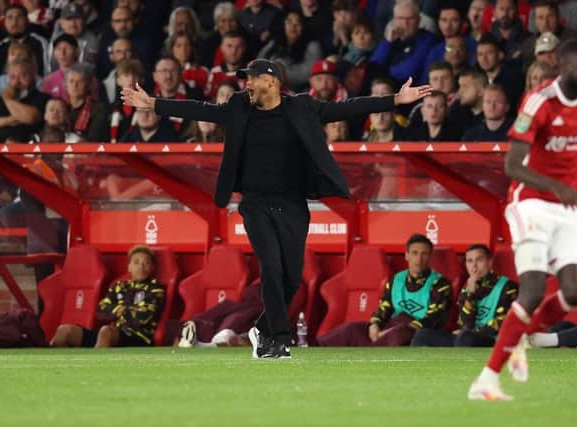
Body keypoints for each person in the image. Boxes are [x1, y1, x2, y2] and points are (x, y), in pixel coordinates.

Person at [121, 58, 432, 358]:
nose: (248, 85)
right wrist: (153, 104)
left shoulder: (302, 107)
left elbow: (347, 108)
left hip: (293, 203)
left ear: (271, 81)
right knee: (271, 266)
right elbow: (200, 109)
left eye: (253, 79)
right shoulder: (239, 106)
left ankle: (262, 328)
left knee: (292, 277)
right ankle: (278, 340)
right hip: (255, 203)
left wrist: (395, 99)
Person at [468, 39, 577, 401]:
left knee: (575, 293)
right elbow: (512, 166)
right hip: (530, 203)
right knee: (531, 291)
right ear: (561, 66)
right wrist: (557, 186)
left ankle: (521, 339)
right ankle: (487, 379)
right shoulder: (538, 102)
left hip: (567, 206)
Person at [317, 233, 453, 347]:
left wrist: (391, 331)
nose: (419, 258)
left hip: (417, 332)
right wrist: (374, 324)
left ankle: (367, 360)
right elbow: (384, 307)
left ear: (430, 257)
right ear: (407, 255)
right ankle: (315, 354)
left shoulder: (440, 284)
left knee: (400, 333)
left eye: (424, 254)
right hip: (390, 326)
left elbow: (433, 319)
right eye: (415, 253)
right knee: (351, 329)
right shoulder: (396, 279)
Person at [51, 245, 166, 348]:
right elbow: (100, 311)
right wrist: (125, 311)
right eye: (136, 262)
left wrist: (115, 310)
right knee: (65, 330)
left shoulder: (156, 288)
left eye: (146, 263)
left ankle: (93, 369)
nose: (141, 267)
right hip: (112, 333)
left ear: (152, 268)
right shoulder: (119, 286)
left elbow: (141, 318)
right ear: (129, 267)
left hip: (139, 337)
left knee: (106, 331)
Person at [411, 244, 518, 347]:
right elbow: (465, 324)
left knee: (466, 337)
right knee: (421, 335)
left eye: (479, 260)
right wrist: (470, 294)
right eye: (470, 261)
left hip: (492, 340)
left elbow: (501, 324)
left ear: (490, 262)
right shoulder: (468, 286)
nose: (474, 266)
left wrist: (470, 333)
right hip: (465, 338)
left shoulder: (508, 287)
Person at [370, 0, 435, 84]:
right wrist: (387, 43)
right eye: (400, 18)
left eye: (410, 18)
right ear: (394, 20)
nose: (405, 23)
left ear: (418, 20)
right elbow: (373, 67)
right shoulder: (390, 40)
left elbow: (409, 71)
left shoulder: (427, 39)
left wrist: (385, 75)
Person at [0, 57, 49, 143]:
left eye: (23, 76)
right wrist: (9, 120)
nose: (17, 82)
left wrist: (8, 99)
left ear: (34, 77)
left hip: (25, 150)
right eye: (13, 77)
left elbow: (31, 118)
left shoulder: (42, 98)